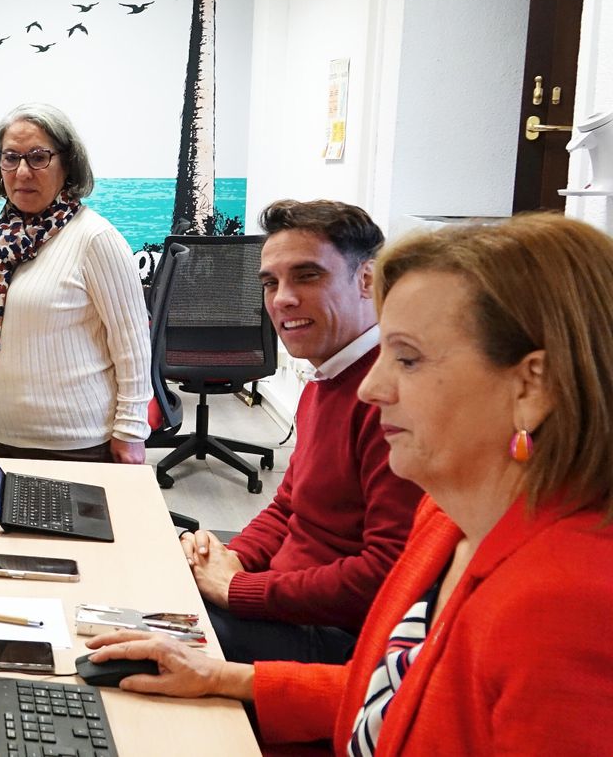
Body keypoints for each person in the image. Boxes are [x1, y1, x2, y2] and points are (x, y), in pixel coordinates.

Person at [86, 213, 613, 756]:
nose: (373, 387)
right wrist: (220, 676)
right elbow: (393, 692)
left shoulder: (567, 606)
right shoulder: (446, 523)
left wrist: (238, 593)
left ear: (532, 387)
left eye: (407, 359)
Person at [181, 200, 423, 665]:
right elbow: (290, 506)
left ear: (367, 280)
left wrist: (240, 590)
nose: (281, 299)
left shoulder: (392, 398)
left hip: (340, 637)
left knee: (155, 632)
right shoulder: (329, 375)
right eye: (270, 283)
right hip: (287, 600)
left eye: (307, 276)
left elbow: (386, 572)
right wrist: (232, 558)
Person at [0, 103, 150, 462]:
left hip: (75, 444)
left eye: (38, 158)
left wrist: (131, 431)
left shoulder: (95, 238)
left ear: (67, 163)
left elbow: (132, 345)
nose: (22, 172)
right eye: (11, 158)